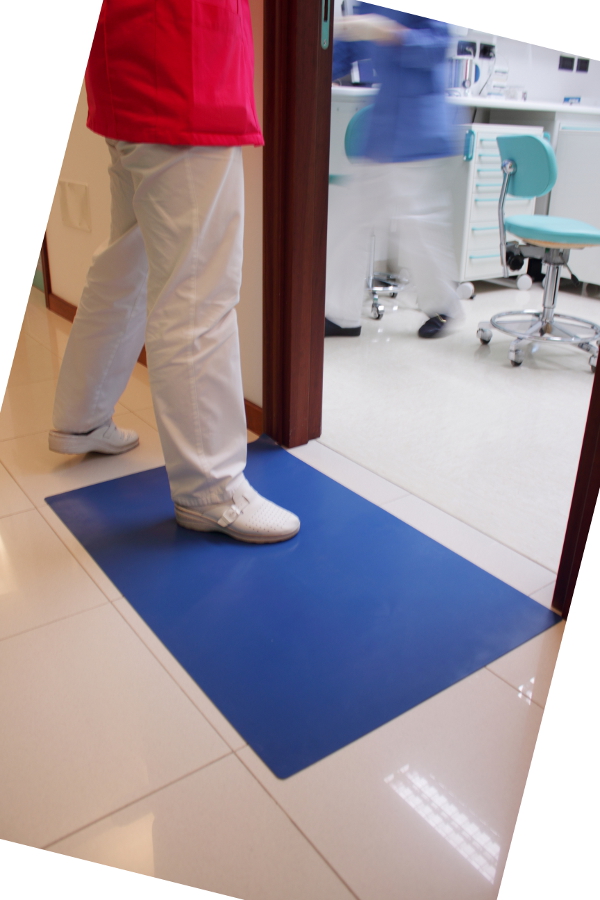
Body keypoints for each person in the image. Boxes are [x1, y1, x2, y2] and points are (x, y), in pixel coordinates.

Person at [48, 0, 300, 545]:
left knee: (126, 263)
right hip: (186, 69)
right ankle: (210, 490)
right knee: (198, 290)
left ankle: (81, 417)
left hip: (130, 66)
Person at [325, 5, 464, 339]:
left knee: (416, 227)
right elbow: (345, 50)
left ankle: (444, 307)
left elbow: (437, 46)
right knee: (350, 221)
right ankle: (340, 314)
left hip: (418, 126)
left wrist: (390, 33)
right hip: (383, 129)